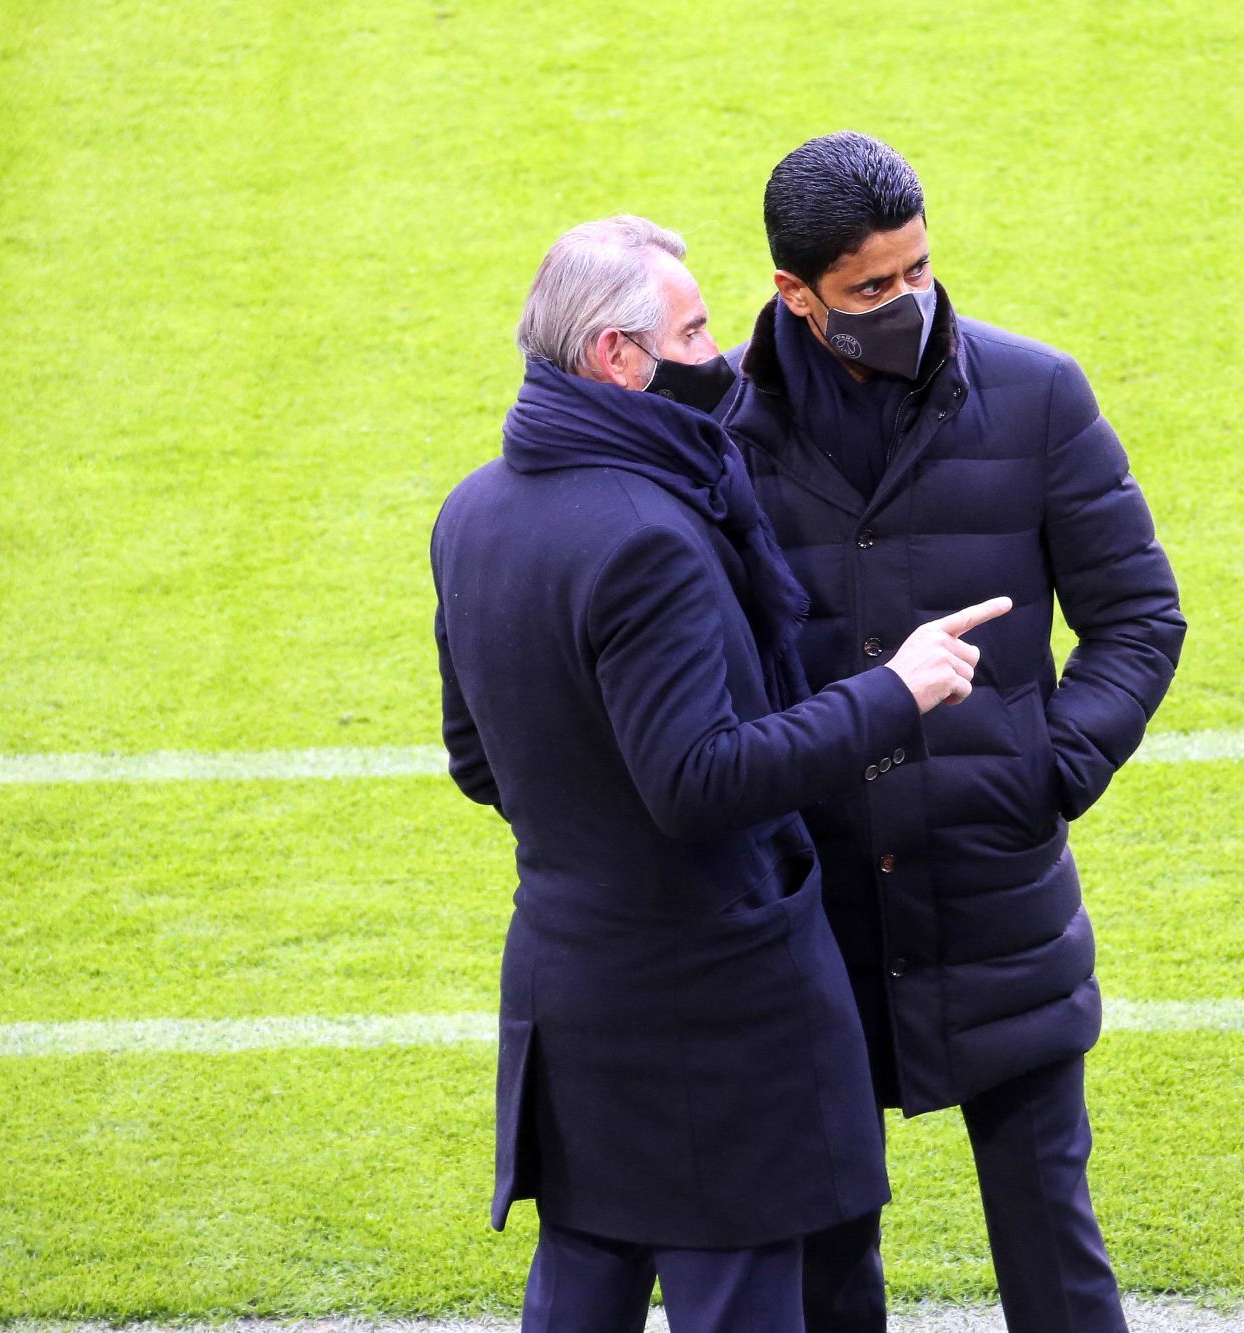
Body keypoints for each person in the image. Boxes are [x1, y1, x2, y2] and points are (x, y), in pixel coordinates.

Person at [431, 213, 1011, 1332]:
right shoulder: (648, 536)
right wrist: (894, 691)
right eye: (694, 333)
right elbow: (698, 781)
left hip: (570, 985)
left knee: (580, 1297)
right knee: (745, 1299)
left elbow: (477, 760)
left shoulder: (472, 511)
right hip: (714, 1014)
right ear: (618, 357)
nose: (722, 358)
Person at [722, 135, 1188, 1333]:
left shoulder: (1037, 395)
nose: (908, 302)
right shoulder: (717, 429)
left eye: (918, 269)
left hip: (995, 898)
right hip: (809, 910)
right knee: (824, 1268)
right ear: (795, 293)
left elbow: (1138, 616)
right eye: (871, 287)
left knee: (1053, 1255)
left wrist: (1049, 769)